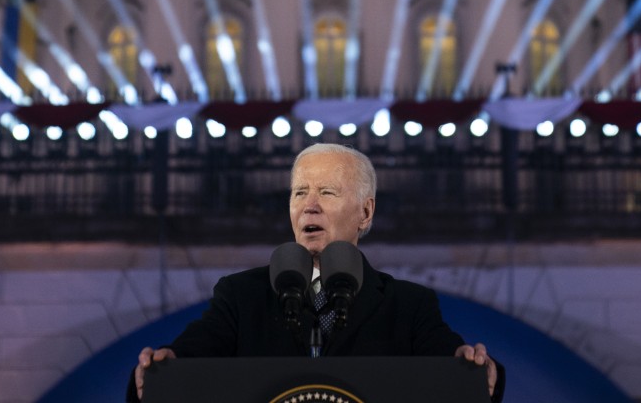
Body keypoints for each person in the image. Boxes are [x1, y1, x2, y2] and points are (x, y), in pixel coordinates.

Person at [128, 142, 504, 402]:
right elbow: (186, 360)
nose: (309, 207)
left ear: (366, 212)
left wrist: (476, 367)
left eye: (326, 192)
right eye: (299, 193)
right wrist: (160, 367)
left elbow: (453, 364)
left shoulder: (408, 306)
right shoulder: (241, 296)